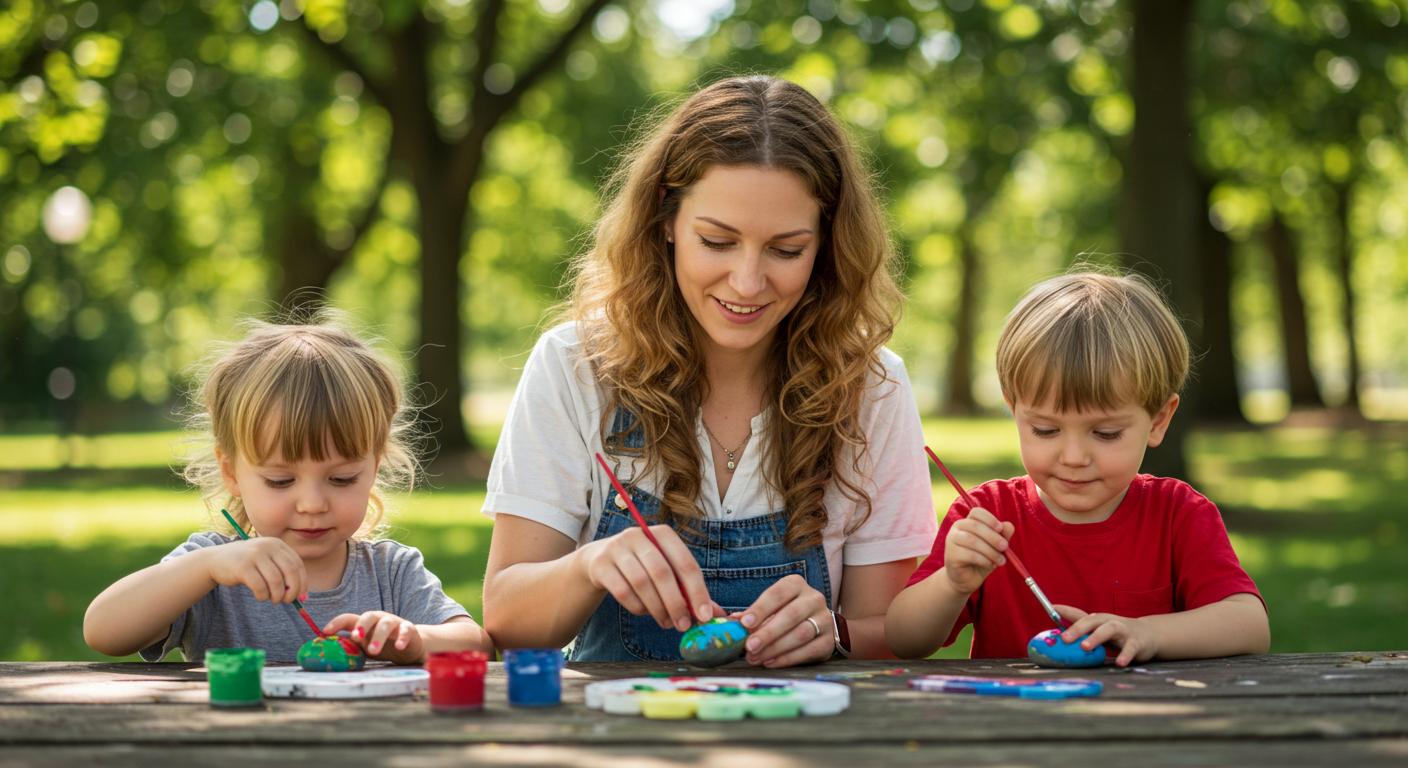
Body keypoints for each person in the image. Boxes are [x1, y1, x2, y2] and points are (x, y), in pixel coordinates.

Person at [481, 76, 938, 667]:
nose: (747, 282)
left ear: (826, 244)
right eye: (717, 241)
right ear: (665, 218)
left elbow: (894, 635)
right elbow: (509, 625)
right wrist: (589, 566)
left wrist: (835, 631)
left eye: (786, 250)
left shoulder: (871, 388)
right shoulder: (576, 367)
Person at [886, 271, 1270, 665]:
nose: (1073, 457)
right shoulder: (986, 515)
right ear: (1014, 411)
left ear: (1158, 421)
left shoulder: (1177, 514)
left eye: (1105, 433)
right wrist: (951, 584)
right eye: (1045, 430)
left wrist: (1150, 633)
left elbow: (1251, 625)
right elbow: (902, 639)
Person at [83, 314, 492, 663]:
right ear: (231, 472)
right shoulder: (214, 571)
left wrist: (415, 640)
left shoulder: (390, 571)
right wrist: (205, 568)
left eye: (342, 478)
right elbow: (102, 631)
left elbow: (478, 645)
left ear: (375, 467)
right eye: (280, 481)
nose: (312, 504)